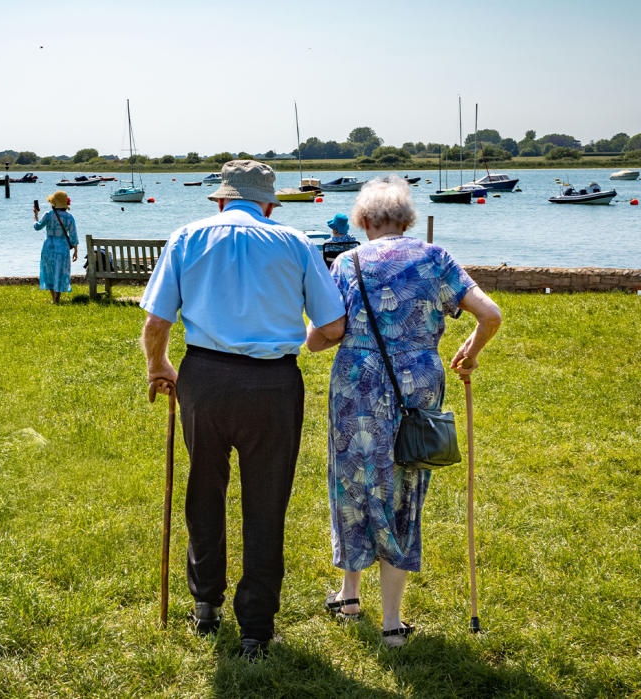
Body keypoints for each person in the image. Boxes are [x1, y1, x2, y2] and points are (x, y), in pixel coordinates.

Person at [140, 160, 346, 661]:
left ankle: (205, 603)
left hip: (205, 379)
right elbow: (335, 325)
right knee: (266, 501)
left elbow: (156, 323)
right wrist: (296, 340)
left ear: (220, 199)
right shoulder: (294, 241)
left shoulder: (186, 237)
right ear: (270, 203)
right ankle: (255, 628)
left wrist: (158, 367)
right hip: (272, 382)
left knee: (203, 488)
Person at [305, 176, 502, 647]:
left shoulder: (347, 262)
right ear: (408, 220)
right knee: (403, 490)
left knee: (354, 482)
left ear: (366, 221)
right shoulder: (436, 257)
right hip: (418, 387)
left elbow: (327, 332)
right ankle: (391, 624)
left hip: (358, 387)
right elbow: (490, 314)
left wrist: (307, 340)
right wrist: (470, 351)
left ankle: (349, 598)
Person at [33, 190, 78, 303]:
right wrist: (76, 251)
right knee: (60, 272)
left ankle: (54, 298)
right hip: (62, 247)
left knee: (49, 271)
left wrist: (36, 215)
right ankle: (57, 298)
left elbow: (37, 227)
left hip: (48, 246)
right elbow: (73, 237)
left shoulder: (48, 215)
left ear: (53, 203)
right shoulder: (69, 217)